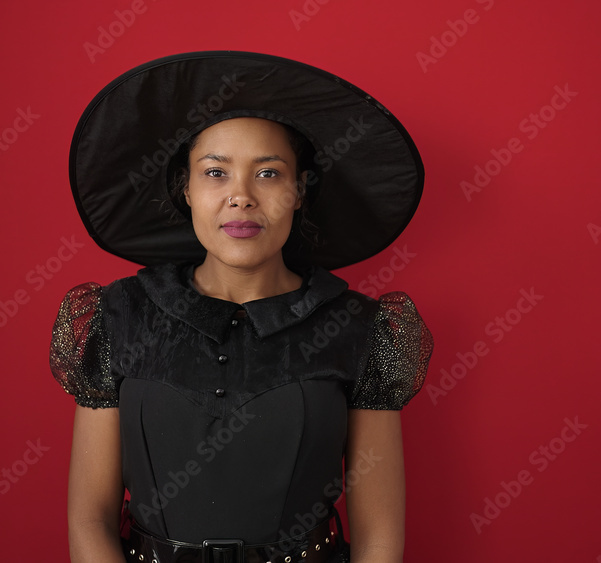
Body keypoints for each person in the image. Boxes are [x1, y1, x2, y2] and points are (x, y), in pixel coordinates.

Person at [50, 51, 433, 563]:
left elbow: (379, 537)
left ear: (300, 190)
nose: (241, 197)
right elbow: (89, 520)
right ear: (186, 188)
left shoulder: (360, 328)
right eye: (215, 172)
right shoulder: (117, 316)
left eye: (269, 173)